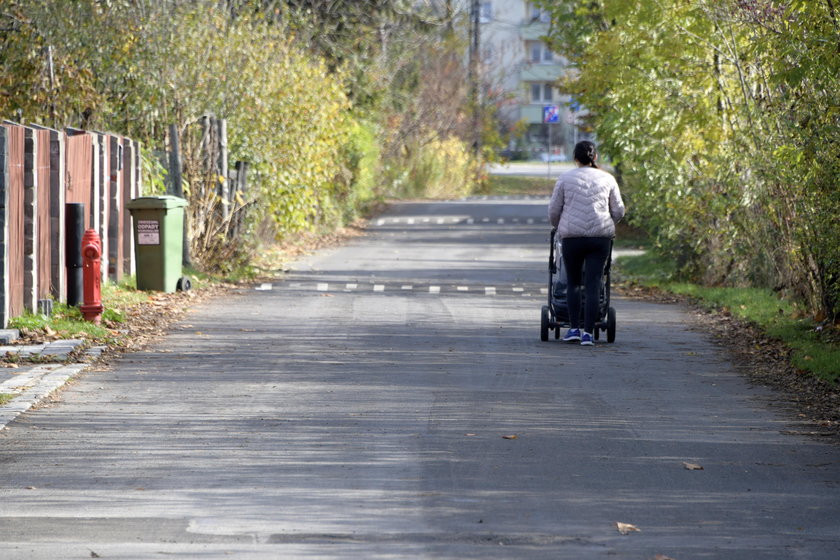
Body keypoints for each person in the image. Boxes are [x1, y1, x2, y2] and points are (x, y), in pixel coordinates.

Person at [548, 141, 625, 346]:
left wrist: (561, 226)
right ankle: (588, 333)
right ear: (595, 157)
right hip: (600, 238)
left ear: (575, 158)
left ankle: (573, 328)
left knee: (573, 283)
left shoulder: (565, 179)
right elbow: (618, 210)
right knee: (593, 283)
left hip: (572, 238)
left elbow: (554, 211)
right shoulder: (608, 179)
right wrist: (607, 223)